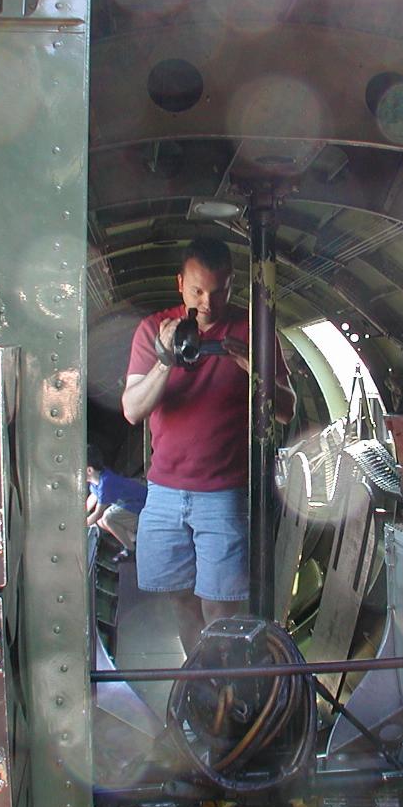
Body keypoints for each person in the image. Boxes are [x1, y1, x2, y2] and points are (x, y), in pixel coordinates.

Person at [121, 236, 296, 655]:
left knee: (222, 608)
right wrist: (165, 360)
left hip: (223, 495)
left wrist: (256, 372)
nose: (207, 303)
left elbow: (286, 410)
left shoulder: (254, 328)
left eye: (218, 293)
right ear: (180, 283)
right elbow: (132, 409)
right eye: (197, 291)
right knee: (179, 597)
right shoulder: (152, 330)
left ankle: (227, 692)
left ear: (233, 286)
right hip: (164, 492)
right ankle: (201, 682)